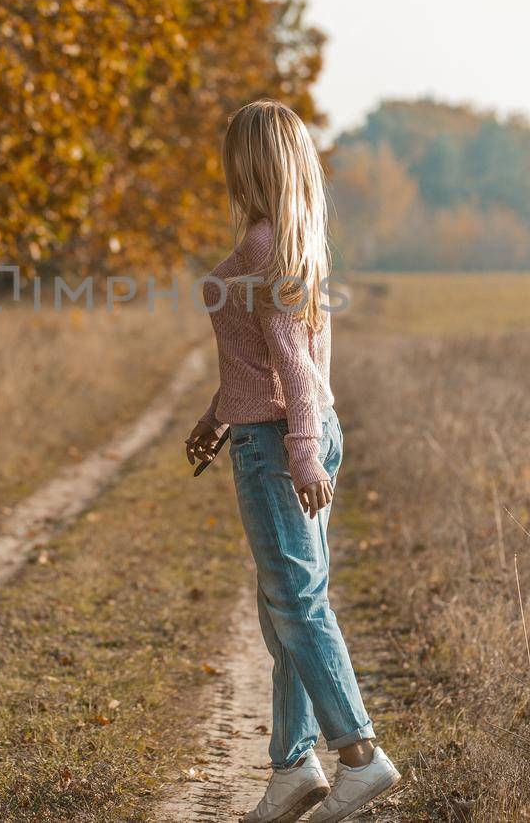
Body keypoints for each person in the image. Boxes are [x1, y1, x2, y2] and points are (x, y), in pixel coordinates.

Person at [185, 100, 403, 823]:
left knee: (297, 606)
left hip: (281, 444)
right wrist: (218, 414)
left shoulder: (260, 245)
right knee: (283, 609)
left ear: (246, 163)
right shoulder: (297, 241)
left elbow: (293, 367)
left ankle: (361, 756)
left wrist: (301, 451)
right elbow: (271, 364)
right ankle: (292, 764)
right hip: (295, 430)